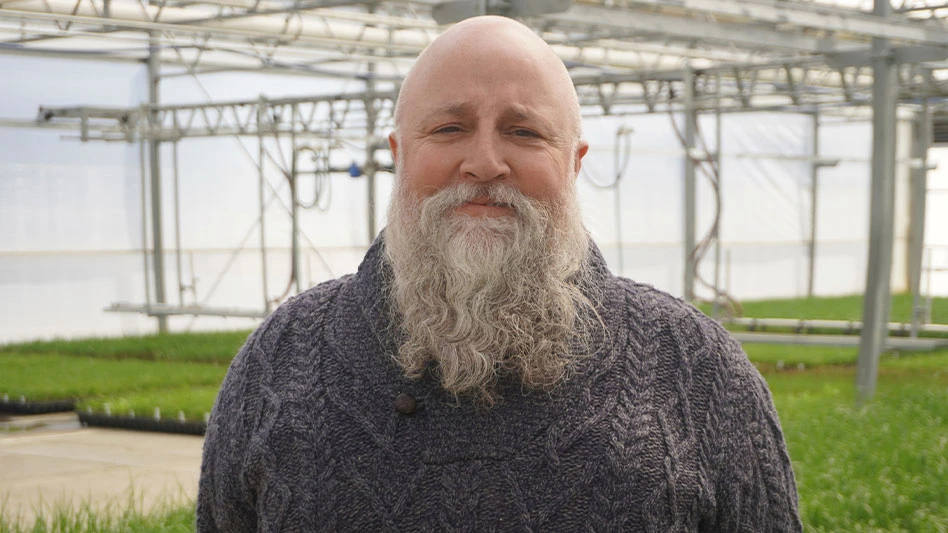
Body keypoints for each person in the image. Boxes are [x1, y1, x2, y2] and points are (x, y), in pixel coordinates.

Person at [197, 15, 801, 532]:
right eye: (449, 128)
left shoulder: (698, 369)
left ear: (573, 162)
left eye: (524, 131)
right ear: (398, 152)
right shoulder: (280, 360)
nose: (485, 162)